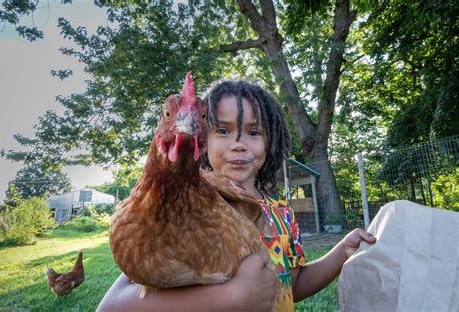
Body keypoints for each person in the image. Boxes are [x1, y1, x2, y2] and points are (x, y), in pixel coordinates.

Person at [98, 79, 376, 311]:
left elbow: (291, 285)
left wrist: (341, 252)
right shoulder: (175, 208)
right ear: (203, 137)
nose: (239, 144)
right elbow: (112, 305)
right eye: (223, 130)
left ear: (272, 141)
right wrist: (230, 297)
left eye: (253, 132)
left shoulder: (282, 215)